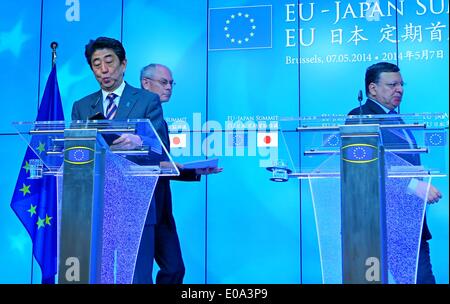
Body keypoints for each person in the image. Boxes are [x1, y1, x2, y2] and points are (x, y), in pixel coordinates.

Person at [71, 37, 171, 284]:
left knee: (137, 278)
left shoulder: (147, 100)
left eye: (109, 62)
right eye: (96, 64)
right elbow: (75, 152)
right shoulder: (82, 106)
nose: (104, 70)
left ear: (123, 64)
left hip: (135, 204)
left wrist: (139, 142)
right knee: (97, 276)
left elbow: (161, 149)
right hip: (95, 207)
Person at [348, 61, 442, 284]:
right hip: (378, 225)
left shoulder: (395, 118)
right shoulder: (360, 117)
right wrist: (413, 185)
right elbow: (363, 168)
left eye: (401, 84)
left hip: (409, 224)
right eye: (392, 85)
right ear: (372, 88)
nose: (399, 89)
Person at [139, 63, 222, 284]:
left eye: (171, 83)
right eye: (164, 82)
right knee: (141, 274)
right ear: (146, 84)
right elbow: (146, 164)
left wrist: (195, 171)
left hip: (162, 209)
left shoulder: (161, 121)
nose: (169, 88)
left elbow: (161, 166)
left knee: (175, 269)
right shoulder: (138, 121)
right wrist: (183, 169)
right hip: (141, 209)